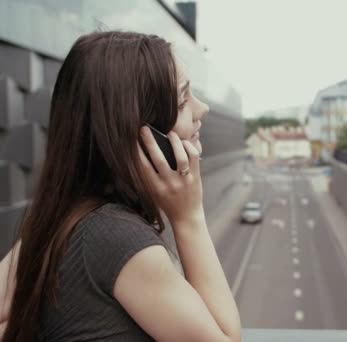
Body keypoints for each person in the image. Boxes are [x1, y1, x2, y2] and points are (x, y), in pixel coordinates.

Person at [0, 31, 242, 341]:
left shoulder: (59, 219)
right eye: (183, 100)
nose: (203, 109)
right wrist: (189, 218)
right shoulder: (116, 239)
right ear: (138, 132)